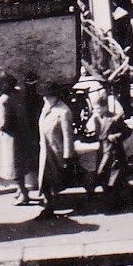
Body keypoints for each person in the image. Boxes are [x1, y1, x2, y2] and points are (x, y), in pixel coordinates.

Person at [0, 73, 38, 206]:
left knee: (14, 167)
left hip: (11, 138)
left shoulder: (3, 100)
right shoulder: (19, 94)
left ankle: (23, 194)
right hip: (23, 134)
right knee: (22, 164)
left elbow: (3, 124)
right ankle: (20, 191)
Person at [34, 83, 76, 220]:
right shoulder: (46, 107)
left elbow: (68, 135)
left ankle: (51, 206)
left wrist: (67, 156)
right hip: (45, 151)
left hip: (57, 151)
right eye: (44, 96)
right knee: (45, 180)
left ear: (56, 97)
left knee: (55, 179)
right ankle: (48, 206)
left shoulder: (63, 111)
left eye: (48, 96)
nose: (45, 99)